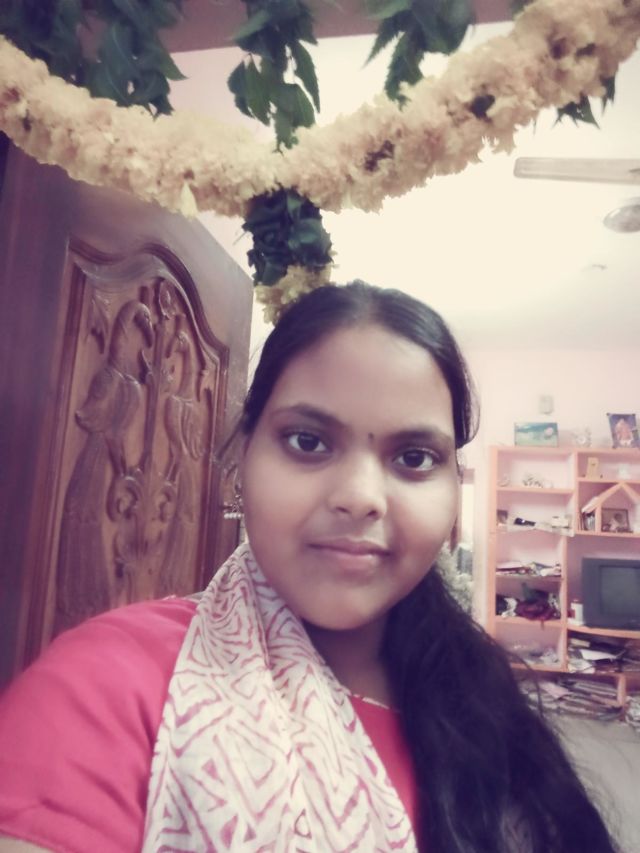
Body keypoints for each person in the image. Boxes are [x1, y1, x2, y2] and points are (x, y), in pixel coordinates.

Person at [0, 281, 618, 853]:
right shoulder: (108, 689)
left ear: (455, 492)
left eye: (413, 457)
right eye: (308, 441)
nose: (361, 497)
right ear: (241, 458)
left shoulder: (481, 689)